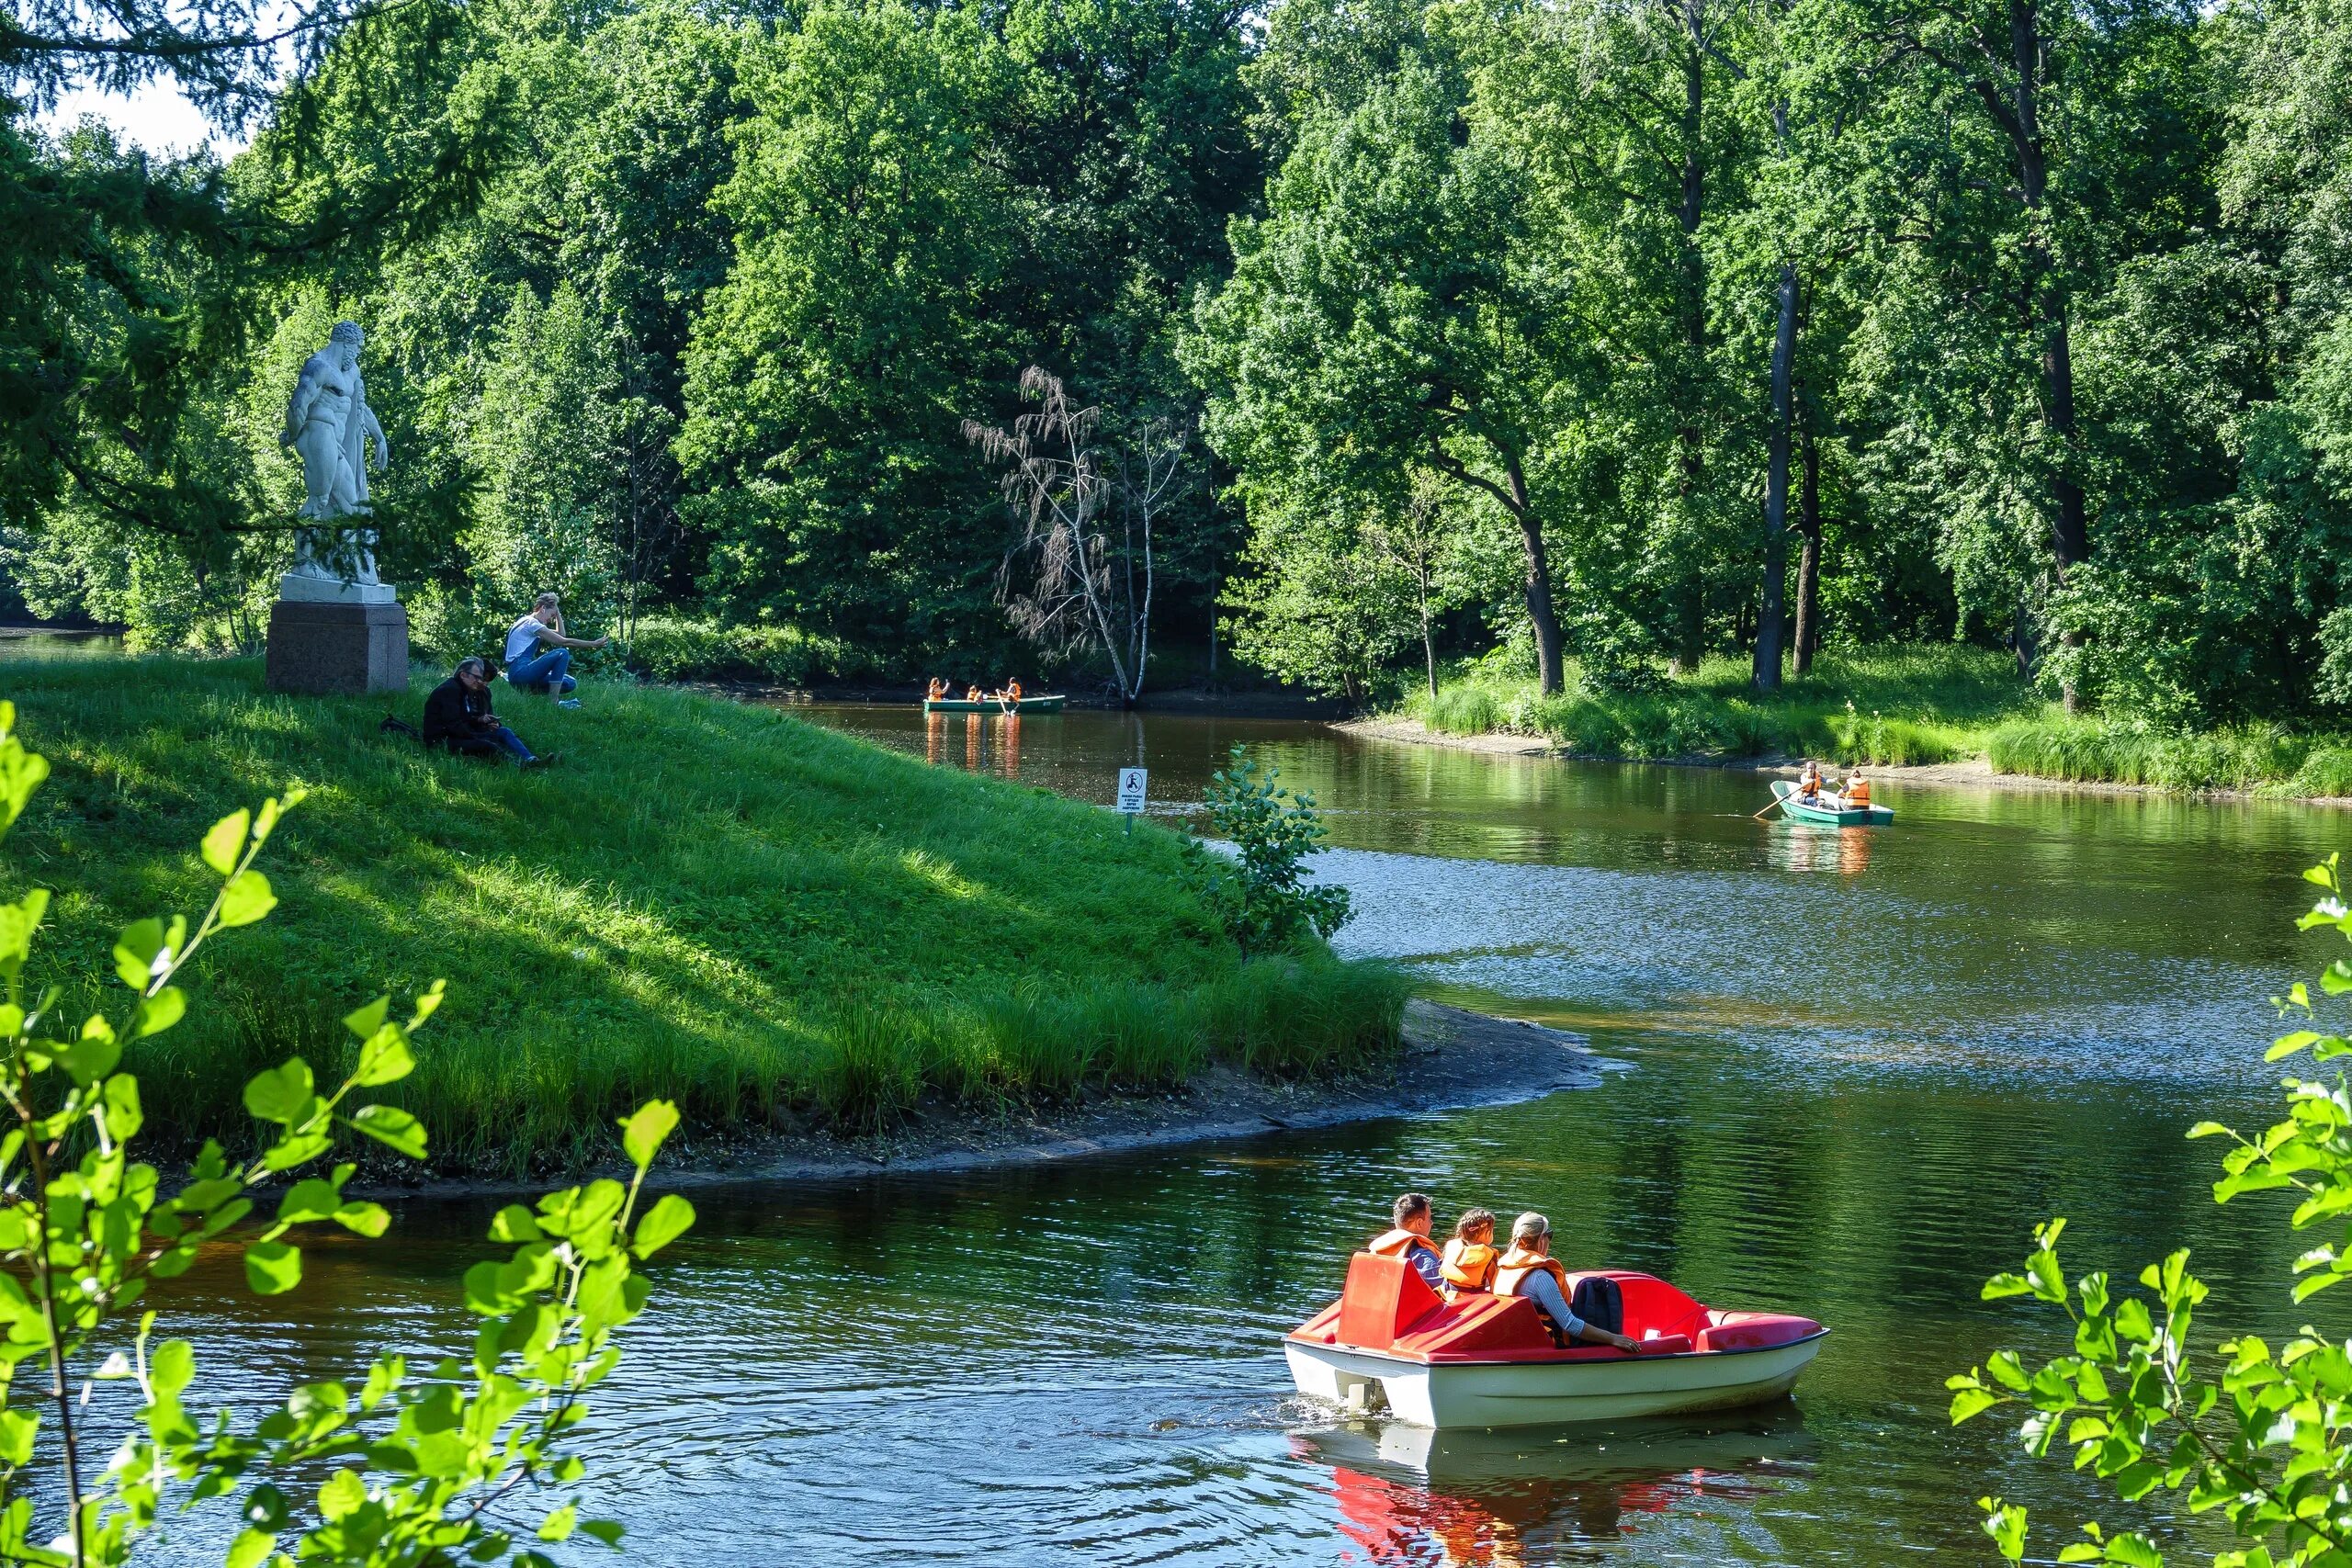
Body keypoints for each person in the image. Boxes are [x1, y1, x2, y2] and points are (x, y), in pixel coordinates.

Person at [1493, 1213, 1637, 1350]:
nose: (1549, 1240)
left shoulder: (1502, 1268)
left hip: (1515, 1340)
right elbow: (1570, 1325)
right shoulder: (1540, 1278)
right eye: (1549, 1235)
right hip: (1546, 1346)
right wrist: (1614, 1338)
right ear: (1541, 1239)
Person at [421, 658, 554, 768]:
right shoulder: (450, 690)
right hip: (442, 740)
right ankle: (520, 768)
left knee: (503, 732)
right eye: (477, 677)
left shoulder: (465, 689)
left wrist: (485, 722)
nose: (480, 682)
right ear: (463, 675)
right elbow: (453, 724)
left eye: (482, 679)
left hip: (459, 733)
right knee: (488, 745)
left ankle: (531, 760)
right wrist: (477, 735)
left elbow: (464, 718)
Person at [503, 592, 607, 708]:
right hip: (520, 673)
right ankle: (554, 702)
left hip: (519, 674)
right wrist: (593, 644)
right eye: (552, 615)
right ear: (543, 608)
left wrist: (557, 613)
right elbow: (563, 641)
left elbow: (561, 633)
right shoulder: (531, 623)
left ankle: (529, 693)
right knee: (561, 654)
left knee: (569, 683)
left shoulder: (528, 622)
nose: (551, 619)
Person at [1366, 1193, 1446, 1292]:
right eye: (1430, 1219)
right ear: (1419, 1223)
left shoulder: (1378, 1250)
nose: (1431, 1223)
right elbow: (1444, 1289)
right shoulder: (1423, 1256)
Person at [1440, 1208, 1499, 1298]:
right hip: (1470, 1302)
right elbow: (1494, 1287)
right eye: (1491, 1231)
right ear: (1485, 1233)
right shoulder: (1490, 1256)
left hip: (1445, 1295)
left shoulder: (1450, 1246)